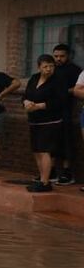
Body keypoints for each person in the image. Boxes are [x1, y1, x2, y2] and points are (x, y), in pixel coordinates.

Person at [23, 54, 68, 193]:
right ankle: (41, 179)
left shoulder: (58, 81)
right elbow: (25, 95)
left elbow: (60, 101)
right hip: (34, 120)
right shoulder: (34, 78)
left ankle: (45, 182)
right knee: (36, 151)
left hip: (50, 121)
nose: (49, 69)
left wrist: (40, 106)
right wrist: (26, 102)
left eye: (51, 66)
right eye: (45, 66)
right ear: (39, 67)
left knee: (45, 150)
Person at [52, 44, 82, 185]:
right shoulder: (50, 69)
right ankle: (50, 171)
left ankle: (67, 172)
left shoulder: (75, 70)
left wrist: (63, 92)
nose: (58, 59)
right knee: (51, 142)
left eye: (61, 56)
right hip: (51, 111)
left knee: (66, 142)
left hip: (67, 110)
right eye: (56, 56)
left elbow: (77, 88)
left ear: (68, 55)